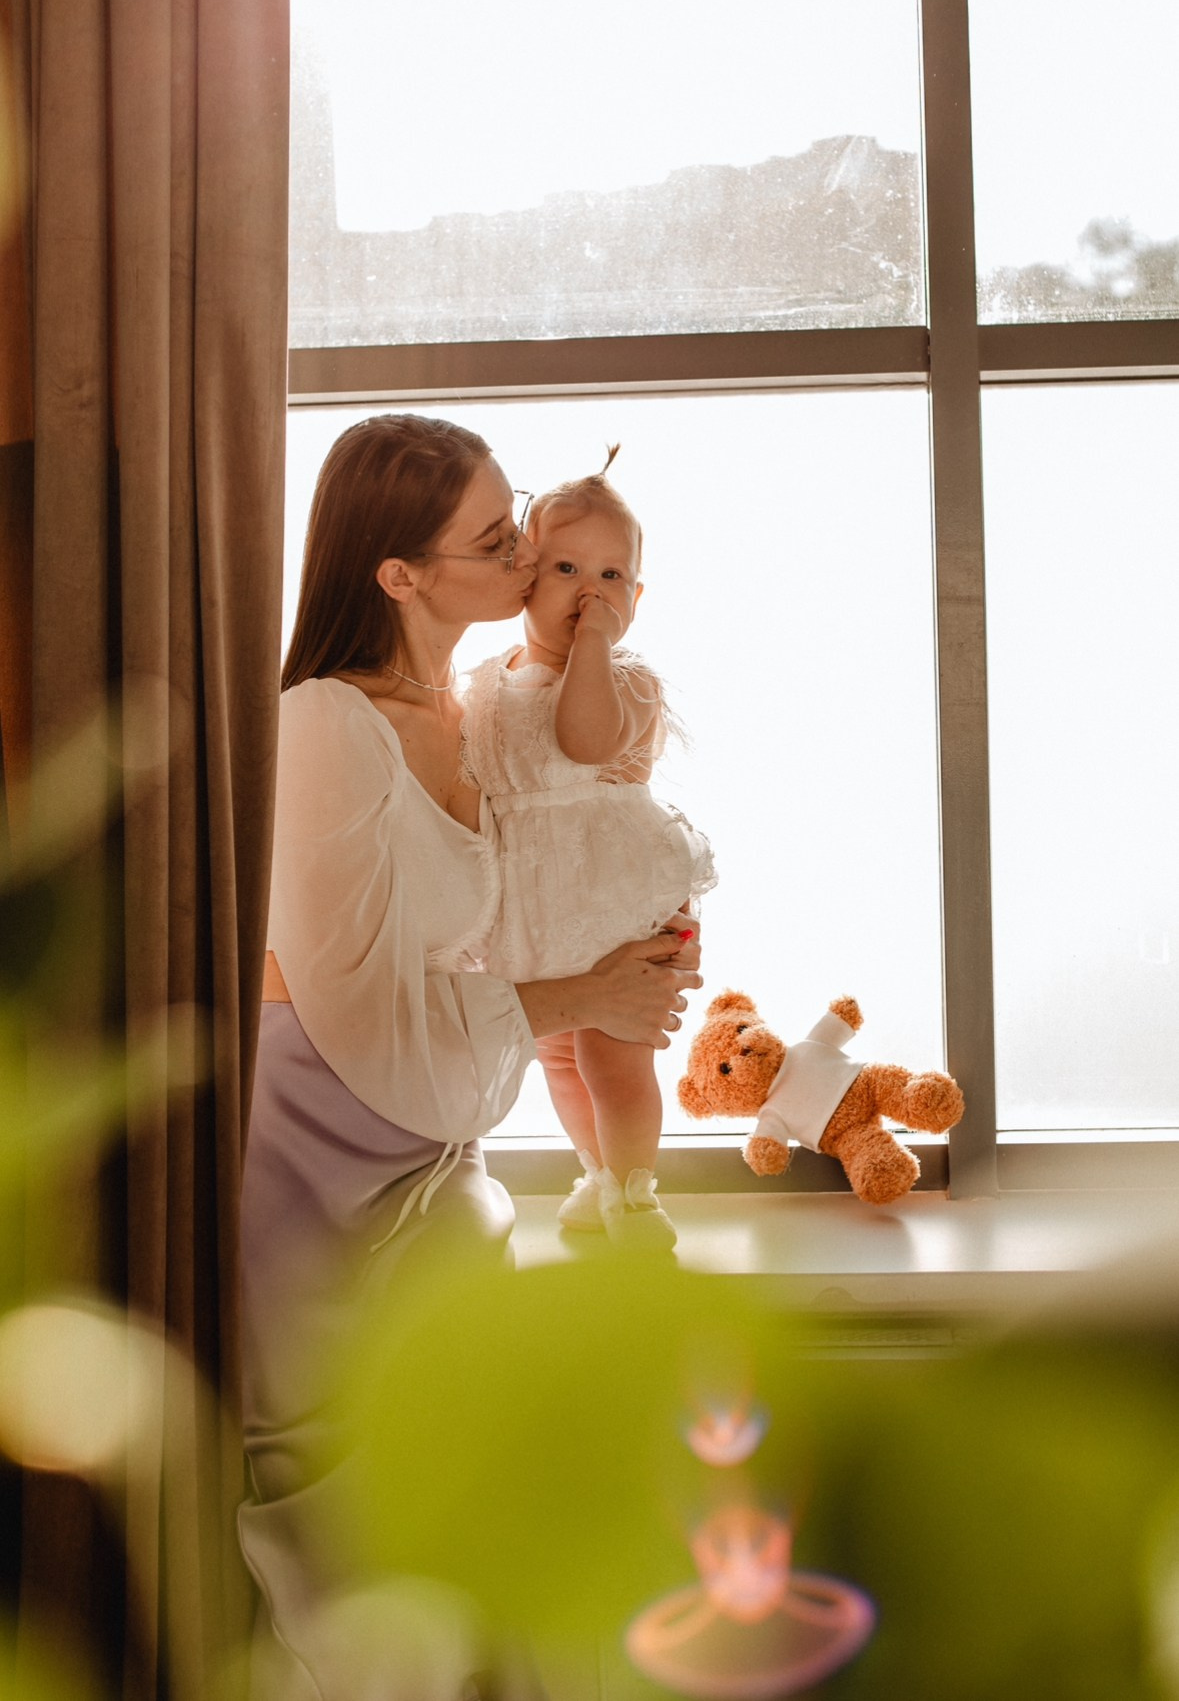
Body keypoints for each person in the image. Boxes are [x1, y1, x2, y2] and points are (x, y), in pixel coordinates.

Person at [238, 413, 702, 1700]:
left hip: (437, 1139)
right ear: (399, 573)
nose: (529, 554)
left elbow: (525, 901)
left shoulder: (482, 713)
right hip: (320, 1147)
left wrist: (641, 938)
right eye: (497, 540)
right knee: (357, 1521)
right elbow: (359, 1001)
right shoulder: (326, 724)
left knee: (494, 1500)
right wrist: (583, 996)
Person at [461, 449, 715, 1249]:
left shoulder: (627, 679)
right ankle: (598, 1173)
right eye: (567, 568)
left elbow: (583, 740)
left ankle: (637, 1193)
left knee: (612, 1052)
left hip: (618, 904)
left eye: (612, 577)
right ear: (523, 577)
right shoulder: (486, 680)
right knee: (558, 1056)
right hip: (535, 906)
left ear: (635, 599)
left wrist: (595, 647)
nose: (589, 593)